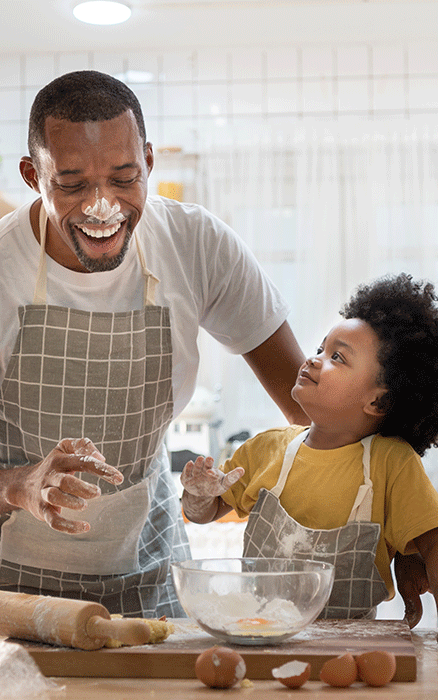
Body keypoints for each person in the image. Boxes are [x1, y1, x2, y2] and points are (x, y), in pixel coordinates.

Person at [0, 70, 309, 618]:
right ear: (31, 175)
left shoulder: (195, 244)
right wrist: (23, 484)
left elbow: (313, 414)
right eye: (72, 184)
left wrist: (391, 517)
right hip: (9, 595)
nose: (103, 207)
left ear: (148, 160)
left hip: (149, 578)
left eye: (125, 178)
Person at [181, 273, 438, 622]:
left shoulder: (391, 465)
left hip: (349, 653)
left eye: (338, 358)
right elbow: (205, 513)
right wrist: (197, 496)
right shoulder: (266, 449)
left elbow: (433, 546)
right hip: (260, 637)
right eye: (320, 349)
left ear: (378, 402)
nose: (314, 359)